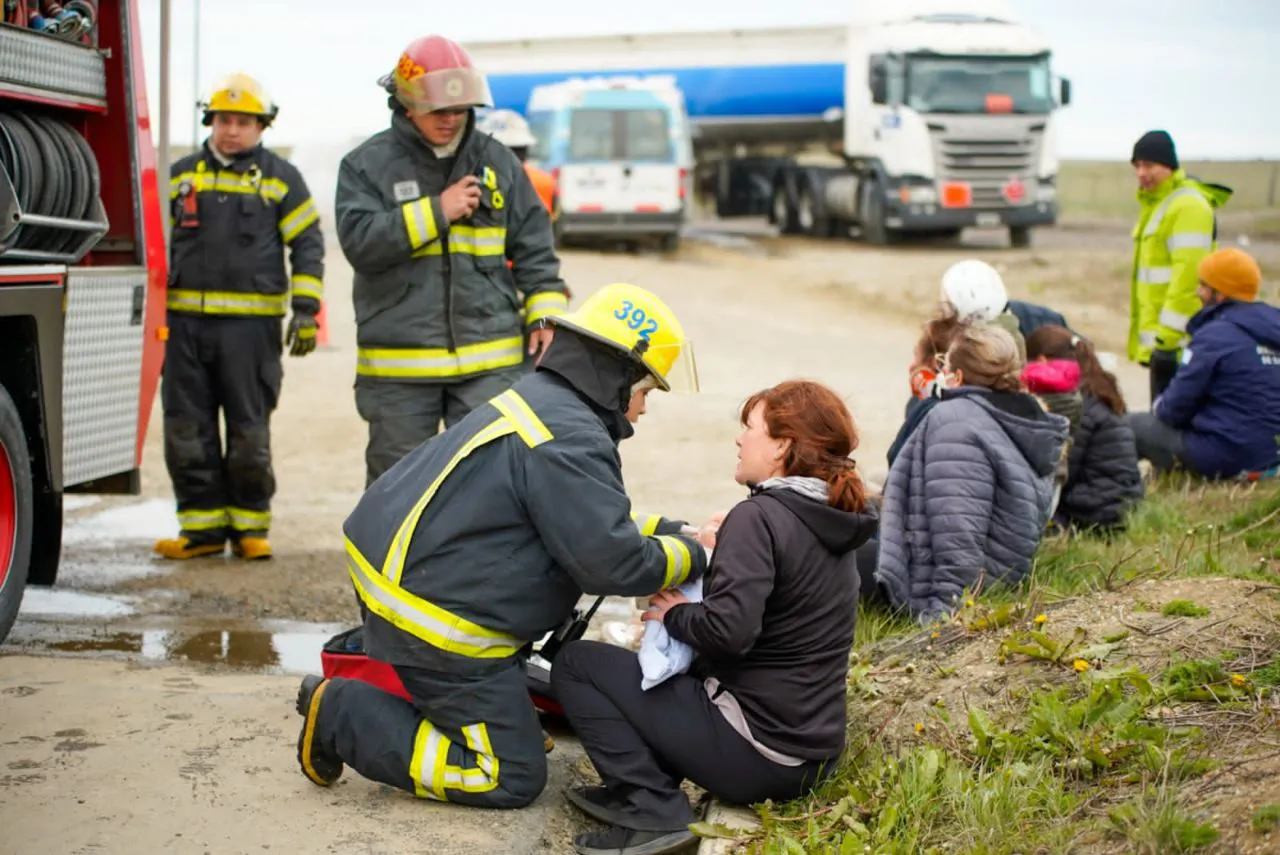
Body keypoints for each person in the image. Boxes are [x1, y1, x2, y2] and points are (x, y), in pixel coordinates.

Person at [293, 283, 708, 813]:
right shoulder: (569, 436)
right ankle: (341, 715)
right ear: (617, 373)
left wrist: (678, 530)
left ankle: (446, 704)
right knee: (510, 774)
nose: (644, 408)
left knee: (523, 721)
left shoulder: (550, 406)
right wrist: (697, 556)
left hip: (421, 587)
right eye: (646, 391)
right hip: (439, 624)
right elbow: (613, 561)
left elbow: (583, 516)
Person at [551, 380, 878, 855]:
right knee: (664, 678)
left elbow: (729, 634)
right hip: (809, 758)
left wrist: (678, 613)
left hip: (754, 754)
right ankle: (647, 783)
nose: (739, 439)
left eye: (750, 428)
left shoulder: (760, 517)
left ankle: (653, 807)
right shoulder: (827, 518)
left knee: (579, 664)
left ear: (783, 445)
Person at [335, 35, 569, 486]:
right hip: (400, 367)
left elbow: (536, 249)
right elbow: (360, 244)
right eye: (438, 110)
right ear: (405, 104)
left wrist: (545, 317)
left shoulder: (496, 161)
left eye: (459, 110)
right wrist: (436, 211)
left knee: (489, 486)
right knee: (398, 490)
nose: (449, 120)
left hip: (490, 363)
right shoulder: (365, 166)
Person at [153, 73, 325, 561]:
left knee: (250, 433)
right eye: (225, 120)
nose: (232, 130)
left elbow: (308, 243)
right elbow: (153, 244)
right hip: (184, 328)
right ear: (211, 121)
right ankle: (201, 532)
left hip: (252, 333)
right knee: (187, 430)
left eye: (244, 122)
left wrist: (306, 310)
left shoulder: (280, 178)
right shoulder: (181, 175)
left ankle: (251, 528)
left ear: (262, 126)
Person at [873, 325, 1069, 622]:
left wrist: (941, 619)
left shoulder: (956, 422)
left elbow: (959, 536)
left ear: (959, 377)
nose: (941, 371)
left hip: (930, 585)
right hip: (995, 575)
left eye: (945, 365)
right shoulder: (1025, 417)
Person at [1129, 248, 1280, 480]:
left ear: (1220, 294)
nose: (1198, 292)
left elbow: (1172, 410)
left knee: (1126, 428)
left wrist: (1158, 404)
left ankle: (1127, 501)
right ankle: (1164, 483)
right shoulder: (1272, 327)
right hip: (1272, 457)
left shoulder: (1215, 336)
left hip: (1229, 458)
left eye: (1203, 285)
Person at [1127, 129, 1232, 403]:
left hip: (1180, 343)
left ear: (1169, 166)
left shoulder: (1188, 206)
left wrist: (1167, 341)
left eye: (1149, 165)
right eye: (1137, 166)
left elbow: (1189, 279)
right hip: (1164, 342)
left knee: (1172, 428)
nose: (1141, 173)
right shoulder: (1159, 204)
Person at [1025, 326, 1143, 531]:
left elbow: (1065, 467)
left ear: (1042, 360)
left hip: (1094, 513)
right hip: (1119, 503)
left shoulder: (1075, 402)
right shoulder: (1098, 387)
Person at [475, 107, 565, 370]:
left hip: (498, 275)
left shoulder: (483, 182)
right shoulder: (545, 180)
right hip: (536, 267)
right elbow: (554, 221)